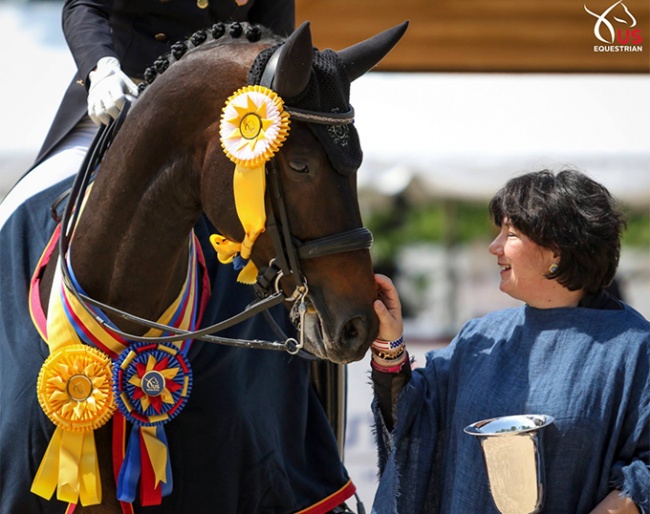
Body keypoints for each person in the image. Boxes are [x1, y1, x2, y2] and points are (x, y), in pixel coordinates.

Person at [0, 1, 360, 513]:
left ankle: (293, 473)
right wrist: (99, 67)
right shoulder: (105, 79)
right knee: (13, 214)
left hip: (216, 133)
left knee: (276, 260)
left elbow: (270, 49)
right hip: (113, 103)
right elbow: (86, 5)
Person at [370, 169, 649, 513]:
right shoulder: (480, 337)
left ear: (556, 251)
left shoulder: (634, 348)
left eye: (510, 233)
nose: (494, 246)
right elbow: (415, 420)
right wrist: (389, 341)